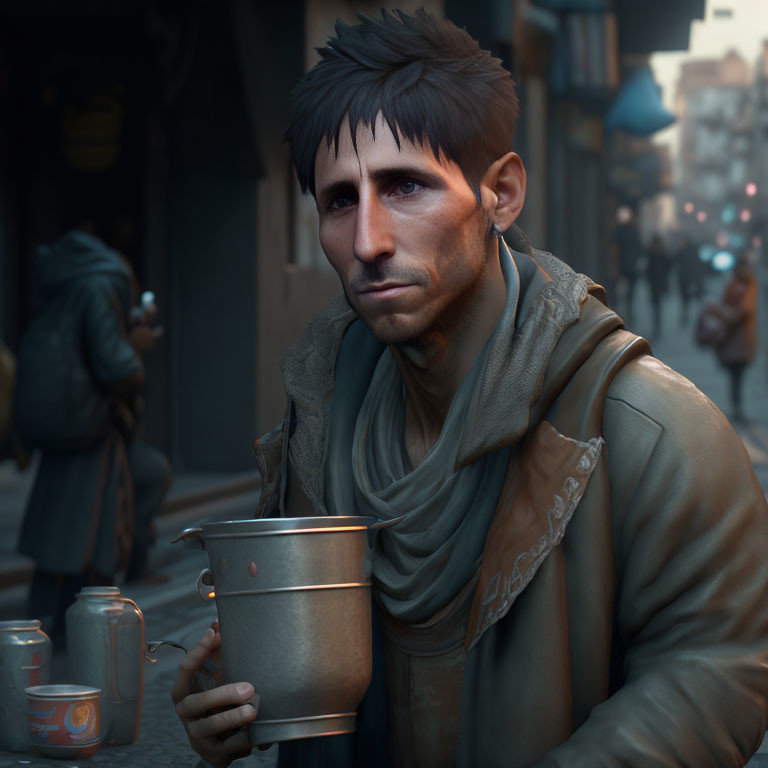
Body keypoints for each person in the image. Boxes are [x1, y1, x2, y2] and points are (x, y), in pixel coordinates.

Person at [172, 10, 768, 768]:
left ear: (502, 194)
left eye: (406, 186)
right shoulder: (317, 426)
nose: (368, 242)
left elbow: (718, 666)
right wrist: (237, 700)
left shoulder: (648, 428)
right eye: (339, 200)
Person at [13, 221, 169, 647]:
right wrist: (136, 344)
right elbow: (118, 366)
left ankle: (48, 621)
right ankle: (78, 626)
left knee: (62, 527)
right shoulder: (101, 285)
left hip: (67, 420)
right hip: (91, 425)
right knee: (90, 527)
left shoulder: (63, 279)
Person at [711, 257, 759, 423]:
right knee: (734, 376)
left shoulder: (750, 286)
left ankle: (737, 407)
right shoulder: (732, 285)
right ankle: (736, 407)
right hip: (731, 339)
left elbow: (741, 312)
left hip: (742, 340)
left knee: (737, 376)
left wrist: (719, 312)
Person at [611, 206, 642, 326]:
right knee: (628, 293)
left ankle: (622, 313)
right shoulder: (633, 231)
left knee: (622, 292)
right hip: (628, 267)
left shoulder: (619, 231)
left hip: (624, 267)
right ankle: (626, 313)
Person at [674, 232, 703, 326]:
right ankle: (697, 318)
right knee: (694, 298)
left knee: (685, 299)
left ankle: (685, 317)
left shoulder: (683, 250)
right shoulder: (695, 250)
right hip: (693, 277)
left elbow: (676, 260)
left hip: (684, 278)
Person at [646, 233, 669, 340]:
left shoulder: (662, 255)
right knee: (655, 306)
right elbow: (648, 271)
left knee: (657, 306)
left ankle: (657, 326)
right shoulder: (652, 255)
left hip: (660, 284)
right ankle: (656, 326)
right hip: (654, 284)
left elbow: (668, 268)